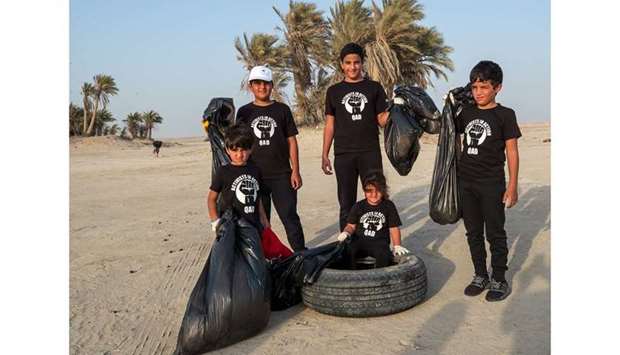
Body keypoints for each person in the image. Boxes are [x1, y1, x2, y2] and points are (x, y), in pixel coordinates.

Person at [456, 60, 521, 302]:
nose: (479, 92)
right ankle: (480, 275)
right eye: (474, 87)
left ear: (498, 88)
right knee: (473, 232)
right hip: (466, 182)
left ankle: (499, 279)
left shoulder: (505, 115)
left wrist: (512, 186)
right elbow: (448, 134)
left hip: (492, 183)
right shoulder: (466, 113)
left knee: (495, 232)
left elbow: (512, 151)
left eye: (484, 87)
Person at [235, 65, 306, 251]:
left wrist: (295, 171)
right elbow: (237, 143)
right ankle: (264, 259)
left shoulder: (282, 110)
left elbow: (292, 141)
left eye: (265, 83)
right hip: (254, 176)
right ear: (250, 86)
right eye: (257, 83)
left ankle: (301, 256)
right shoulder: (243, 113)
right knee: (259, 221)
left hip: (282, 174)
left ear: (272, 86)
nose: (261, 87)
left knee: (290, 217)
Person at [322, 42, 390, 231]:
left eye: (357, 62)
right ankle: (347, 244)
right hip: (344, 155)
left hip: (370, 152)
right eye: (348, 63)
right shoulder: (333, 92)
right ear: (342, 65)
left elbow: (382, 120)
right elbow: (330, 125)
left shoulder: (374, 88)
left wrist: (396, 108)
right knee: (346, 203)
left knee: (376, 198)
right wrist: (324, 154)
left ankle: (378, 239)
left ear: (362, 63)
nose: (353, 67)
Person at [336, 172, 409, 269]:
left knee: (383, 255)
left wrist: (397, 245)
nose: (374, 194)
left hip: (379, 243)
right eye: (369, 191)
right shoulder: (358, 206)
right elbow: (351, 226)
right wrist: (346, 233)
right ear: (364, 191)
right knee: (347, 251)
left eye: (378, 191)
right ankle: (351, 277)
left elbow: (393, 228)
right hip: (359, 241)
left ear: (383, 190)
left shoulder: (388, 206)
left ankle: (379, 278)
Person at [207, 123, 270, 234]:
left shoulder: (255, 170)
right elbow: (211, 199)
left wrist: (264, 219)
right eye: (235, 150)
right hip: (231, 226)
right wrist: (215, 221)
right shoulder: (223, 171)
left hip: (253, 224)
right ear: (227, 150)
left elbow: (257, 198)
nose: (239, 155)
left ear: (251, 149)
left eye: (243, 150)